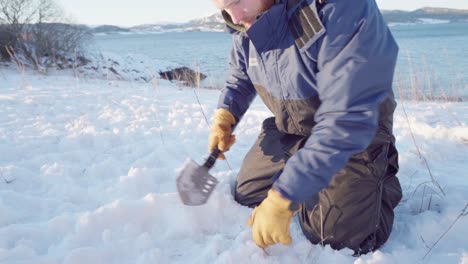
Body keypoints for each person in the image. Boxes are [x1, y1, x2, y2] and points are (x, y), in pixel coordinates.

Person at [208, 0, 403, 255]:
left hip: (356, 130)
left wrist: (286, 194)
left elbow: (346, 115)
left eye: (236, 1)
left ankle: (376, 177)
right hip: (293, 128)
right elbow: (241, 74)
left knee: (335, 235)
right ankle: (309, 167)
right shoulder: (247, 18)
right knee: (248, 194)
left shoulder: (340, 7)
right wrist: (226, 113)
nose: (232, 15)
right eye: (220, 4)